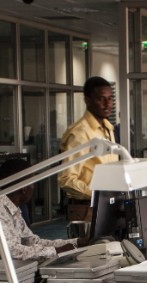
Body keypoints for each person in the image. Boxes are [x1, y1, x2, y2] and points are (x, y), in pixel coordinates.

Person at [0, 159, 81, 264]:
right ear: (24, 187)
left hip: (5, 274)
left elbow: (32, 241)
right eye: (32, 183)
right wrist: (56, 251)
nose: (33, 188)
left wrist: (76, 242)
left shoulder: (11, 207)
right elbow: (12, 251)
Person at [58, 76, 118, 222]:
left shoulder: (107, 129)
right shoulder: (81, 133)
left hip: (107, 204)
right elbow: (66, 179)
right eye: (101, 99)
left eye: (110, 99)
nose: (107, 104)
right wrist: (97, 194)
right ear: (87, 100)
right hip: (86, 208)